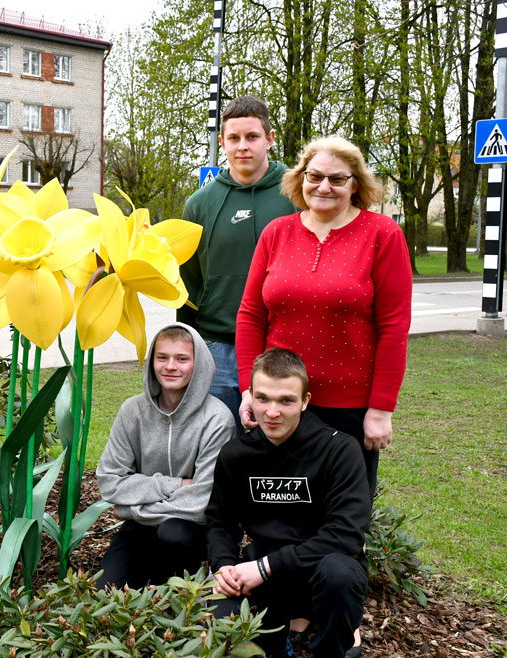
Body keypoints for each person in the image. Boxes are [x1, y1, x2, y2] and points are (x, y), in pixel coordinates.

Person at [236, 135, 412, 496]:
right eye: (315, 176)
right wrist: (250, 391)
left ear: (355, 184)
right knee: (279, 511)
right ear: (301, 178)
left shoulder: (383, 235)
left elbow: (394, 328)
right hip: (280, 405)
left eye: (337, 178)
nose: (324, 186)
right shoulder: (277, 233)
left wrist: (381, 410)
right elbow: (251, 315)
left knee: (341, 514)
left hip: (348, 410)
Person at [205, 348, 371, 658]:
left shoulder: (340, 450)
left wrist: (266, 568)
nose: (272, 412)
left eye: (286, 401)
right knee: (221, 621)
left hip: (322, 570)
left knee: (340, 574)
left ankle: (331, 649)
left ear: (305, 401)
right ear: (250, 397)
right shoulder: (236, 455)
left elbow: (345, 535)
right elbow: (220, 522)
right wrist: (223, 566)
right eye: (263, 398)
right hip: (265, 573)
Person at [177, 96, 297, 432]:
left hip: (283, 344)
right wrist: (187, 345)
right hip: (217, 349)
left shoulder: (297, 195)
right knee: (221, 450)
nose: (242, 146)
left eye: (252, 137)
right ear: (222, 143)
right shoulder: (200, 204)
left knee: (280, 452)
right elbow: (187, 284)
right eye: (234, 138)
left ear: (270, 139)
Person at [95, 323, 235, 589]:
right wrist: (176, 484)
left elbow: (203, 499)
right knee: (108, 590)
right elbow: (109, 480)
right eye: (163, 357)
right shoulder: (132, 411)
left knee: (172, 534)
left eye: (182, 359)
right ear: (152, 362)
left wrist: (129, 508)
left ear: (199, 364)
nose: (171, 366)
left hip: (189, 528)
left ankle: (176, 583)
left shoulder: (217, 419)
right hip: (141, 528)